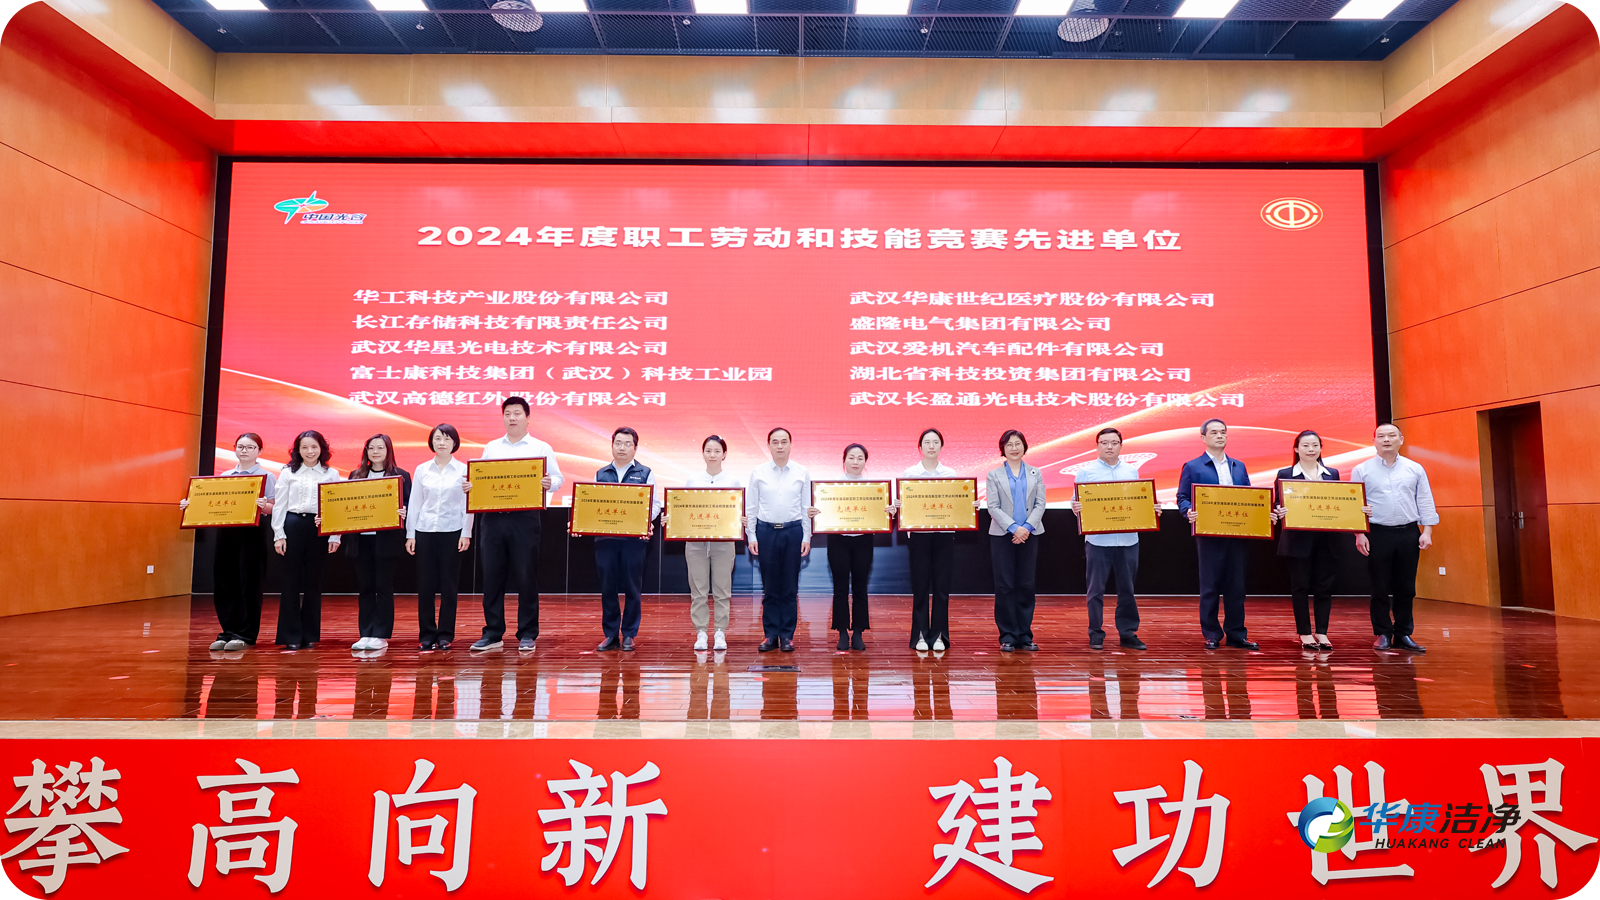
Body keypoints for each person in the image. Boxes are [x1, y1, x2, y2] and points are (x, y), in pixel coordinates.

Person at [463, 396, 564, 652]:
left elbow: (558, 478)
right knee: (492, 577)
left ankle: (527, 633)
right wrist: (471, 486)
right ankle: (493, 633)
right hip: (493, 518)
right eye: (507, 413)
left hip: (525, 518)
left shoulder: (541, 447)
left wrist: (549, 483)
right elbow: (481, 478)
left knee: (526, 576)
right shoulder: (492, 447)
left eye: (517, 413)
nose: (512, 418)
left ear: (528, 418)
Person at [1176, 418, 1279, 651]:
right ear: (1203, 437)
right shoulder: (1193, 466)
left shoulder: (1238, 466)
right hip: (1209, 533)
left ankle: (1236, 634)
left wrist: (1264, 515)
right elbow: (1182, 497)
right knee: (1210, 586)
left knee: (1236, 586)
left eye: (1223, 432)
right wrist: (1188, 510)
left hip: (1238, 534)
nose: (1219, 436)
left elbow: (1250, 498)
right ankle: (1212, 634)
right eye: (1214, 432)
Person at [179, 433, 276, 652]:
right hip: (226, 533)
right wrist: (190, 506)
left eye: (250, 447)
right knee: (224, 582)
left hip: (252, 534)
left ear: (259, 451)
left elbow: (275, 508)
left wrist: (264, 506)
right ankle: (227, 632)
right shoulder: (225, 475)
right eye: (240, 446)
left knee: (248, 583)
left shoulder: (267, 476)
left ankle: (245, 635)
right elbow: (210, 504)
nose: (244, 451)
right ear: (235, 449)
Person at [1352, 423, 1438, 652]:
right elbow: (1354, 504)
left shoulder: (1414, 468)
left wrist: (1427, 530)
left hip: (1409, 532)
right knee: (1379, 586)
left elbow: (1425, 499)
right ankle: (1382, 632)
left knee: (1406, 586)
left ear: (1401, 439)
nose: (1386, 439)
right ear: (1374, 441)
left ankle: (1403, 633)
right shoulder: (1362, 469)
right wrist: (1359, 533)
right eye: (1381, 436)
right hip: (1378, 532)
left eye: (1391, 435)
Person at [1274, 430, 1354, 651]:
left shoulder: (1332, 473)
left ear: (1320, 448)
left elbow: (1340, 503)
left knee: (1324, 588)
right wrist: (1279, 510)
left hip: (1327, 540)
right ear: (1296, 449)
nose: (1311, 450)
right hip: (1298, 540)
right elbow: (1277, 502)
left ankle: (1322, 632)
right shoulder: (1285, 474)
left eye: (1315, 445)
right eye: (1306, 445)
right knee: (1300, 587)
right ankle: (1305, 633)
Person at [1071, 427, 1148, 651]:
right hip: (1098, 541)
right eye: (1104, 443)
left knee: (1127, 589)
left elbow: (1138, 501)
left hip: (1128, 540)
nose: (1109, 447)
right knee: (1095, 590)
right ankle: (1095, 633)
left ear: (1121, 446)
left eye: (1114, 443)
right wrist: (1076, 507)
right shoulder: (1086, 472)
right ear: (1097, 446)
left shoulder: (1132, 471)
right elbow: (1075, 502)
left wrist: (1149, 508)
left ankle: (1128, 633)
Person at [807, 443, 887, 652]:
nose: (855, 462)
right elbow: (824, 511)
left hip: (863, 540)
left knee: (860, 587)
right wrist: (815, 511)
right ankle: (842, 631)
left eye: (860, 458)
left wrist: (887, 511)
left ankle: (858, 631)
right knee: (840, 587)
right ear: (843, 460)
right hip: (838, 540)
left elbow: (880, 515)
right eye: (851, 457)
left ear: (865, 462)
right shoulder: (832, 487)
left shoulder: (875, 488)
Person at [270, 431, 342, 650]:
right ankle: (291, 635)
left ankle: (309, 634)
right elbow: (280, 505)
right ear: (297, 450)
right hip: (292, 526)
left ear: (322, 449)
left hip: (318, 529)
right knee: (290, 582)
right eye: (304, 447)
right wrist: (279, 535)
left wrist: (335, 535)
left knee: (314, 583)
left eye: (314, 447)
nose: (310, 451)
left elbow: (336, 506)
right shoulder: (288, 472)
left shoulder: (331, 473)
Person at [592, 427, 660, 653]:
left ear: (635, 448)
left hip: (634, 539)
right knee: (608, 587)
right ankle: (610, 634)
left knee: (632, 587)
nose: (622, 448)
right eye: (618, 443)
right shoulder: (601, 474)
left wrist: (643, 520)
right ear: (612, 446)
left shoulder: (645, 473)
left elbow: (655, 505)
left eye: (627, 444)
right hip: (606, 539)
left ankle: (629, 633)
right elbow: (591, 504)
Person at [896, 428, 963, 652]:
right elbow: (905, 504)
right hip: (919, 537)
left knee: (942, 588)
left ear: (941, 446)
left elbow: (956, 504)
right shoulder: (910, 474)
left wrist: (968, 505)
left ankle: (939, 636)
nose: (931, 446)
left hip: (944, 536)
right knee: (921, 587)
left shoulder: (950, 474)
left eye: (935, 442)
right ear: (920, 447)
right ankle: (921, 636)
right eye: (927, 442)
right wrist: (899, 505)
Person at [407, 424, 471, 652]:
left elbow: (468, 505)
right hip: (425, 531)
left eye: (446, 438)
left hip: (452, 530)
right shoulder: (422, 469)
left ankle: (445, 635)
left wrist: (466, 532)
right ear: (431, 442)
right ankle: (426, 634)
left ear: (455, 442)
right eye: (437, 438)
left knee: (448, 585)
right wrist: (411, 534)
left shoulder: (464, 470)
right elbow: (415, 503)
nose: (441, 443)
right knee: (425, 585)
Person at [343, 434, 411, 652]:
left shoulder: (401, 476)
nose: (375, 451)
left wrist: (404, 511)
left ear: (388, 450)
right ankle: (365, 633)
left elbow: (408, 503)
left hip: (387, 541)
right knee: (365, 587)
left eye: (380, 448)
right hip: (361, 540)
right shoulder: (356, 475)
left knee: (383, 586)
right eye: (371, 448)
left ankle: (380, 634)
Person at [747, 427, 810, 653]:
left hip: (793, 531)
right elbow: (751, 507)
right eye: (775, 442)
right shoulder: (758, 472)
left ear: (791, 444)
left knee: (790, 587)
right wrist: (751, 535)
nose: (780, 446)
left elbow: (806, 508)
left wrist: (807, 535)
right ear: (769, 445)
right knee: (770, 587)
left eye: (784, 441)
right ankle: (770, 634)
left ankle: (787, 636)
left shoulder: (802, 472)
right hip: (766, 532)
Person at [986, 430, 1046, 653]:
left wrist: (1026, 528)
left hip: (1029, 535)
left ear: (1024, 446)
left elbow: (1040, 504)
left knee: (1026, 585)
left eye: (1018, 444)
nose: (1014, 448)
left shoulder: (1035, 473)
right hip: (1003, 535)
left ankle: (1025, 635)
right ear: (1003, 448)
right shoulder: (994, 475)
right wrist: (1014, 528)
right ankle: (1008, 636)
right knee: (1005, 585)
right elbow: (993, 507)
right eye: (1009, 444)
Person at [678, 435, 739, 652]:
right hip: (696, 543)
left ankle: (720, 632)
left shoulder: (732, 481)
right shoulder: (693, 480)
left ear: (724, 454)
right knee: (698, 591)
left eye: (717, 451)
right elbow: (683, 510)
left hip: (724, 543)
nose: (712, 455)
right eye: (708, 451)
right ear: (703, 454)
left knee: (723, 590)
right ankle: (701, 632)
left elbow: (736, 512)